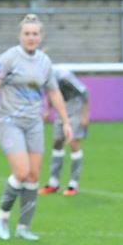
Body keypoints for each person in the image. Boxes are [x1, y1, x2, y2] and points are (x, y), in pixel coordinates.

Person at [0, 13, 72, 242]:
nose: (31, 37)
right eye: (27, 33)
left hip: (34, 123)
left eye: (35, 34)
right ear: (20, 36)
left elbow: (53, 91)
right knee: (21, 172)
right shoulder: (9, 58)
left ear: (41, 37)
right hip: (8, 121)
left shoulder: (44, 62)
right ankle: (2, 216)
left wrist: (66, 121)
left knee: (33, 175)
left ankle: (23, 227)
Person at [39, 66, 90, 196]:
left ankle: (73, 184)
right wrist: (48, 110)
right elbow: (51, 94)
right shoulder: (43, 78)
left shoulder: (64, 76)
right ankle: (53, 183)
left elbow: (84, 92)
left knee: (73, 143)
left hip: (75, 108)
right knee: (57, 142)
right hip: (61, 109)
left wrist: (84, 116)